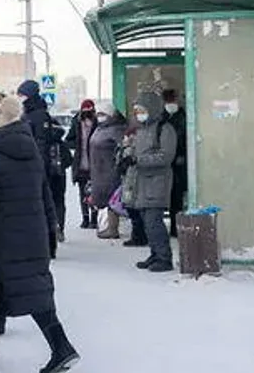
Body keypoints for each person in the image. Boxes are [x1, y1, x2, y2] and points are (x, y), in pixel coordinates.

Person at [0, 97, 80, 373]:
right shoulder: (31, 154)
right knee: (31, 290)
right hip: (31, 236)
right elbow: (45, 195)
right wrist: (51, 229)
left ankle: (60, 348)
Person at [120, 91, 178, 272]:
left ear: (152, 109)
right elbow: (138, 152)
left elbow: (166, 156)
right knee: (147, 223)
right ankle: (155, 254)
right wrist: (127, 156)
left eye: (141, 110)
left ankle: (164, 258)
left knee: (154, 222)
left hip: (157, 183)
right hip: (141, 183)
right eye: (136, 111)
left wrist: (139, 160)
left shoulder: (165, 129)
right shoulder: (142, 130)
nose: (138, 114)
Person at [17, 80, 70, 243]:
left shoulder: (37, 114)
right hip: (37, 164)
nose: (19, 98)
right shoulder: (28, 113)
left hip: (44, 166)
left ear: (30, 95)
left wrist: (38, 167)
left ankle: (53, 233)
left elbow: (41, 143)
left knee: (49, 201)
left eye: (22, 95)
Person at [87, 104, 127, 239]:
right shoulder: (100, 128)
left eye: (102, 114)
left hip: (110, 169)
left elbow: (122, 147)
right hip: (98, 169)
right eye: (98, 114)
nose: (99, 117)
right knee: (101, 199)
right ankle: (105, 226)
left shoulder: (117, 129)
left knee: (112, 198)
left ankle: (112, 228)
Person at [65, 100, 98, 229]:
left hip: (95, 163)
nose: (87, 113)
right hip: (80, 162)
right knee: (83, 192)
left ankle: (94, 218)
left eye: (90, 110)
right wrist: (78, 146)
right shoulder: (76, 122)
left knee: (94, 191)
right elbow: (68, 140)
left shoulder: (97, 123)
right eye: (85, 110)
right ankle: (85, 218)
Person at [161, 89, 187, 237]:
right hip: (165, 164)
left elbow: (186, 138)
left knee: (177, 197)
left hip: (179, 164)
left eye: (173, 100)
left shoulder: (183, 117)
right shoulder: (161, 118)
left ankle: (175, 228)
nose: (171, 104)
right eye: (168, 101)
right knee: (167, 196)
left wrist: (182, 155)